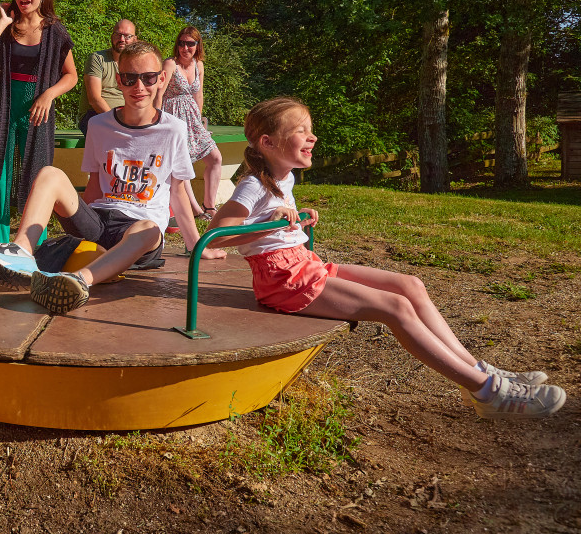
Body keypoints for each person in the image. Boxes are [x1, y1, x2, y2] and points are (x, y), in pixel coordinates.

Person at [208, 97, 566, 420]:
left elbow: (271, 221)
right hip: (282, 280)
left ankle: (477, 368)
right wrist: (270, 226)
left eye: (311, 130)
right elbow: (215, 236)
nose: (312, 137)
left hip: (303, 263)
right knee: (394, 307)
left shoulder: (284, 178)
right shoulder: (252, 183)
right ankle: (486, 392)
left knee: (409, 285)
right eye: (300, 131)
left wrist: (297, 216)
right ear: (267, 143)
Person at [0, 41, 226, 315]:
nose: (139, 87)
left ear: (161, 79)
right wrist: (79, 224)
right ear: (119, 80)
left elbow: (178, 191)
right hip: (99, 222)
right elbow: (96, 185)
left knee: (148, 228)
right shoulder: (99, 125)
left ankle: (78, 281)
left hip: (139, 232)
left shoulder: (174, 129)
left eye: (147, 78)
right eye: (130, 78)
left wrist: (195, 246)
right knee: (50, 174)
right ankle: (21, 252)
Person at [0, 0, 78, 244]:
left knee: (36, 177)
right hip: (4, 111)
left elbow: (72, 76)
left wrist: (48, 95)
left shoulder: (55, 32)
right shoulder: (6, 28)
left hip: (38, 113)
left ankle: (32, 245)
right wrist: (2, 23)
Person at [157, 26, 223, 220]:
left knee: (215, 158)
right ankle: (196, 210)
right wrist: (159, 120)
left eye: (190, 43)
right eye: (181, 43)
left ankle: (209, 206)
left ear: (197, 45)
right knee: (182, 163)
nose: (185, 48)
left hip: (192, 117)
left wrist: (200, 124)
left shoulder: (198, 65)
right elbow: (159, 92)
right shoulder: (170, 64)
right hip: (172, 116)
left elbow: (198, 94)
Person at [78, 19, 137, 134]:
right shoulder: (97, 59)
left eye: (127, 36)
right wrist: (118, 123)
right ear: (112, 36)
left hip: (126, 116)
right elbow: (95, 100)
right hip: (95, 115)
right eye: (118, 35)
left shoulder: (135, 65)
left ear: (135, 39)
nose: (121, 40)